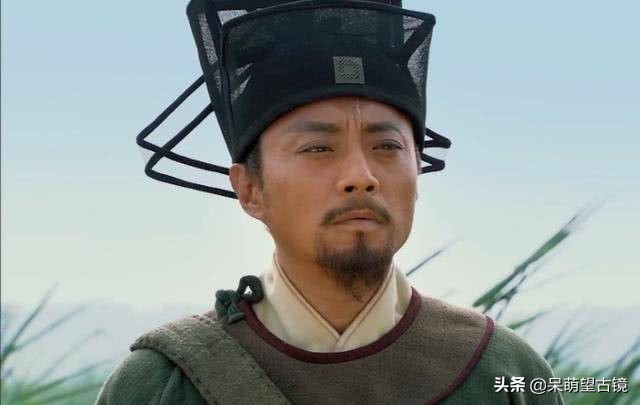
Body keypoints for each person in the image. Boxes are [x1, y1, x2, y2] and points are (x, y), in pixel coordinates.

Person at [96, 0, 565, 403]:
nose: (361, 177)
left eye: (387, 147)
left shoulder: (503, 371)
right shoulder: (164, 384)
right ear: (249, 189)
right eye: (318, 148)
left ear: (418, 173)